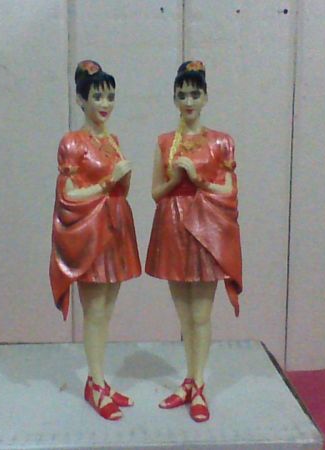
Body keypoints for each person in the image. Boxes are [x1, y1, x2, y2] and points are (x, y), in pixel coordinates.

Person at [146, 60, 243, 423]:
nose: (188, 101)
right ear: (174, 98)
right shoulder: (164, 142)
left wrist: (198, 178)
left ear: (205, 97)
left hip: (206, 230)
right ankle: (189, 379)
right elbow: (156, 192)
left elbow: (229, 189)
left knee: (201, 314)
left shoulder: (221, 141)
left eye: (194, 93)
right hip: (172, 228)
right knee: (184, 314)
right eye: (182, 94)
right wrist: (176, 180)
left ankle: (199, 383)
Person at [49, 60, 141, 421]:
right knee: (94, 312)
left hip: (116, 226)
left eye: (110, 97)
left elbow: (120, 188)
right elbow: (68, 193)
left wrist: (122, 180)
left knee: (107, 311)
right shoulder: (73, 143)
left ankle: (99, 380)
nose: (105, 104)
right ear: (81, 99)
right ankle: (96, 382)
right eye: (98, 96)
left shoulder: (112, 141)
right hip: (92, 232)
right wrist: (108, 182)